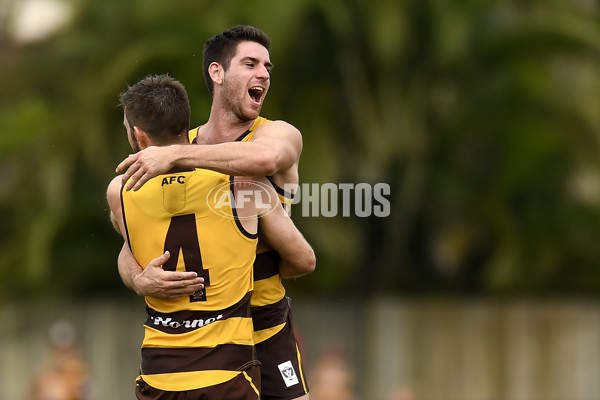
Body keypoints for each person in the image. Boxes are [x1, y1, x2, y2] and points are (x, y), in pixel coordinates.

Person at [116, 26, 312, 400]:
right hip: (195, 342)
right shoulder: (172, 146)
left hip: (265, 326)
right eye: (250, 63)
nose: (264, 74)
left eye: (268, 67)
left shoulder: (274, 134)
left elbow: (266, 160)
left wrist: (175, 155)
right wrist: (139, 278)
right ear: (217, 73)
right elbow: (129, 237)